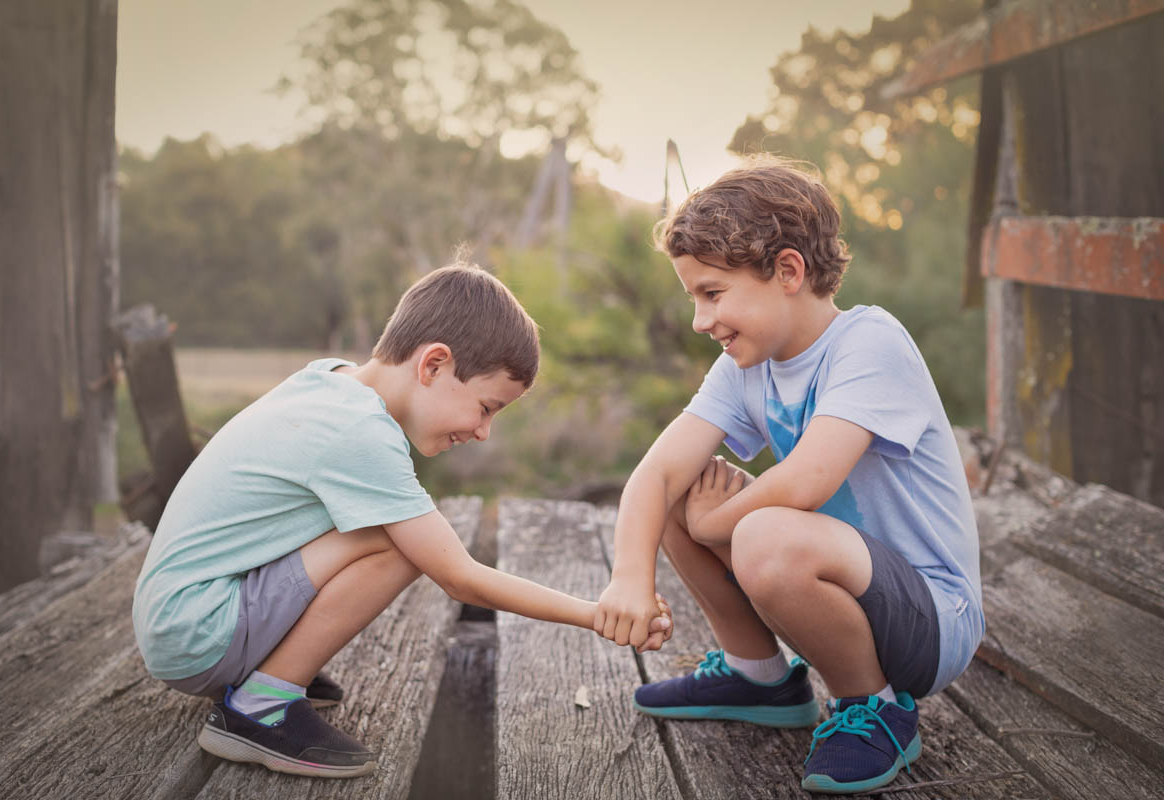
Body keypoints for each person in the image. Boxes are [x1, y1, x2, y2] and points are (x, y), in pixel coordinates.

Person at [132, 264, 671, 779]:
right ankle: (260, 706)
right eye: (486, 407)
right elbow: (459, 575)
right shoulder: (360, 432)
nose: (484, 432)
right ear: (433, 364)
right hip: (198, 633)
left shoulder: (329, 382)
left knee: (393, 529)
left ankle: (269, 667)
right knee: (401, 543)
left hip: (179, 620)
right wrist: (598, 614)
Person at [594, 155, 983, 794]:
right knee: (681, 489)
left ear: (788, 272)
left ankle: (875, 708)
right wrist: (630, 580)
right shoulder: (749, 365)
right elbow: (656, 474)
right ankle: (760, 676)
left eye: (712, 294)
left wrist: (716, 521)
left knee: (758, 533)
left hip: (933, 619)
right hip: (843, 582)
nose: (700, 321)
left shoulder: (870, 341)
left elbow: (807, 482)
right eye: (694, 297)